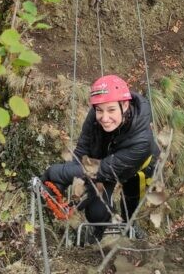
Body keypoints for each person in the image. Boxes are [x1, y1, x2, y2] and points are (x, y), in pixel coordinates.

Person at [41, 75, 159, 243]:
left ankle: (129, 223)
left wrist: (58, 173)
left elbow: (105, 170)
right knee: (96, 212)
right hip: (103, 161)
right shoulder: (96, 113)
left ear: (125, 105)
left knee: (131, 201)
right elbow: (82, 151)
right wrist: (61, 183)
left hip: (138, 168)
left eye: (111, 110)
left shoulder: (142, 140)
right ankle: (98, 230)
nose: (104, 118)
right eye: (100, 110)